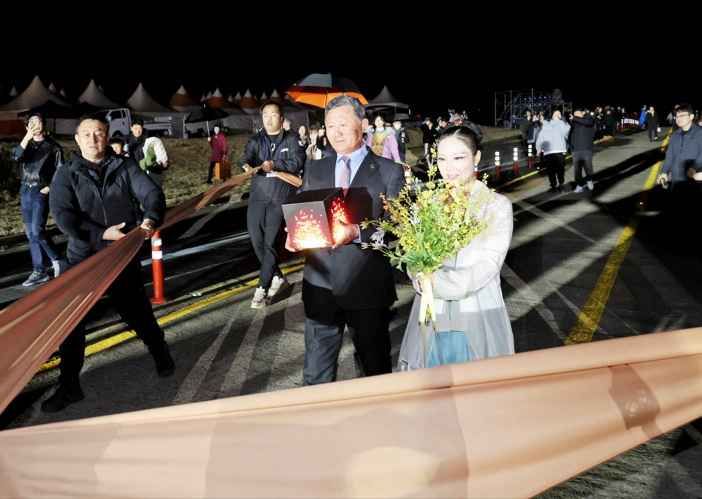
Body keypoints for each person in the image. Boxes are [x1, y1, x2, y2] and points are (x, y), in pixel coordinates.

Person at [45, 116, 174, 413]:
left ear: (107, 136)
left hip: (121, 255)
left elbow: (151, 193)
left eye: (99, 133)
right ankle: (69, 385)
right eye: (87, 134)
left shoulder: (125, 166)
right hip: (84, 257)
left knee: (137, 313)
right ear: (77, 139)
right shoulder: (66, 173)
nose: (93, 139)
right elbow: (64, 216)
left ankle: (160, 352)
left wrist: (150, 218)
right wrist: (101, 233)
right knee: (72, 321)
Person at [286, 95, 404, 385]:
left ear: (362, 125)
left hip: (366, 288)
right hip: (320, 286)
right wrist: (294, 232)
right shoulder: (315, 169)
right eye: (330, 126)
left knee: (375, 373)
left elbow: (397, 227)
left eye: (342, 124)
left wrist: (357, 233)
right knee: (316, 376)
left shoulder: (389, 171)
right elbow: (303, 210)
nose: (335, 132)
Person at [399, 124, 514, 370]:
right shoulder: (426, 203)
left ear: (476, 157)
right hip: (431, 314)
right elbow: (413, 255)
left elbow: (488, 265)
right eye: (442, 159)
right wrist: (418, 276)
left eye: (458, 158)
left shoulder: (495, 206)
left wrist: (434, 283)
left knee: (477, 384)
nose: (448, 168)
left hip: (476, 312)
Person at [242, 101, 306, 309]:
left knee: (270, 242)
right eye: (265, 115)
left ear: (281, 118)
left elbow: (297, 162)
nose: (269, 119)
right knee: (256, 240)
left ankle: (261, 288)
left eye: (273, 115)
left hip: (281, 196)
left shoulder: (292, 139)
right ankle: (277, 276)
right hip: (258, 195)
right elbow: (246, 158)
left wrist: (275, 165)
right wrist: (246, 166)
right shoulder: (256, 140)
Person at [12, 113, 63, 286]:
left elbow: (61, 171)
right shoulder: (25, 144)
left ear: (43, 124)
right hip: (25, 190)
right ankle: (39, 271)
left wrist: (49, 188)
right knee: (30, 234)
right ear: (27, 127)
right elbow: (16, 157)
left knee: (37, 230)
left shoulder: (53, 147)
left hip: (40, 191)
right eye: (32, 122)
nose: (36, 125)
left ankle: (57, 259)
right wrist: (26, 137)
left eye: (38, 121)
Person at [536, 109, 571, 191]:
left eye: (559, 113)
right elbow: (567, 132)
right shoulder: (559, 124)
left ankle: (556, 185)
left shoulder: (548, 125)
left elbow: (540, 138)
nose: (558, 114)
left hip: (551, 151)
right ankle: (558, 184)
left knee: (553, 170)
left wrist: (538, 149)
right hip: (556, 151)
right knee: (558, 170)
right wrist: (565, 122)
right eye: (557, 113)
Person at [570, 108, 596, 192]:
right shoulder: (574, 123)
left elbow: (589, 122)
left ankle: (589, 180)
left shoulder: (588, 119)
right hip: (576, 150)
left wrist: (575, 118)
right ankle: (579, 185)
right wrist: (571, 147)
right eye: (575, 115)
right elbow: (570, 135)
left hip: (586, 149)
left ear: (582, 113)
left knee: (588, 168)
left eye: (577, 114)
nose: (575, 116)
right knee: (577, 171)